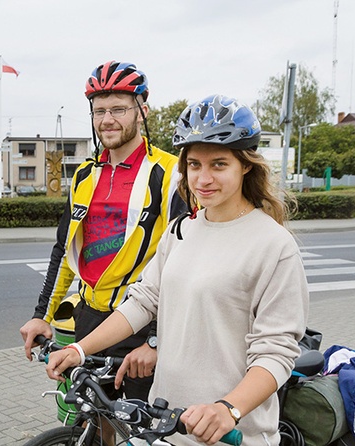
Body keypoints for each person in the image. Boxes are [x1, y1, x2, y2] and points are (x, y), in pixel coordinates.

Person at [45, 95, 309, 446]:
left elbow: (276, 352)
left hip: (232, 433)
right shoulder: (181, 229)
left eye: (218, 164)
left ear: (245, 165)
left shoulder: (273, 245)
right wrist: (81, 349)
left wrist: (228, 409)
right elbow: (142, 302)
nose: (203, 178)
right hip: (165, 424)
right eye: (194, 165)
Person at [20, 60, 186, 415]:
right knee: (95, 418)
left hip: (144, 325)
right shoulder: (83, 175)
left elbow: (188, 262)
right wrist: (41, 316)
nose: (107, 119)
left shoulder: (170, 174)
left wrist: (159, 340)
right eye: (99, 111)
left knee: (144, 428)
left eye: (118, 109)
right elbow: (65, 252)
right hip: (91, 321)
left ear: (142, 110)